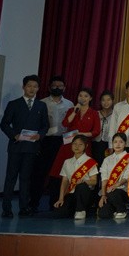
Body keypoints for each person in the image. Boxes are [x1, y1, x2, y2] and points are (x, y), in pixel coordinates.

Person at [0, 75, 49, 217]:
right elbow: (4, 124)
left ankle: (24, 207)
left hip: (31, 147)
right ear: (24, 87)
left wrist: (40, 135)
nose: (32, 89)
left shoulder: (41, 105)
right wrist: (14, 135)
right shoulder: (14, 104)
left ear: (38, 88)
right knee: (11, 178)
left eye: (35, 86)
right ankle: (6, 208)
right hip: (16, 146)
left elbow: (45, 125)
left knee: (26, 178)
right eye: (29, 86)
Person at [35, 75, 74, 208]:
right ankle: (34, 203)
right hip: (45, 141)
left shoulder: (70, 104)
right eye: (54, 86)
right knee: (40, 172)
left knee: (58, 173)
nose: (57, 88)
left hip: (63, 142)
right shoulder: (42, 103)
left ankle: (55, 203)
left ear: (64, 88)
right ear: (49, 87)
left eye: (60, 86)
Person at [49, 88, 101, 185]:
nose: (82, 98)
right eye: (80, 96)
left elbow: (96, 131)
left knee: (81, 171)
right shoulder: (71, 110)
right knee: (62, 172)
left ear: (90, 98)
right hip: (68, 143)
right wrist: (74, 111)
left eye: (86, 96)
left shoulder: (94, 113)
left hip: (84, 145)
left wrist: (81, 134)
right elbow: (65, 123)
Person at [52, 134, 99, 219]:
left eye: (80, 144)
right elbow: (64, 182)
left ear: (86, 146)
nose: (77, 146)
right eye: (75, 144)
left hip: (85, 194)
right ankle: (74, 209)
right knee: (59, 213)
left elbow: (94, 181)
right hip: (71, 193)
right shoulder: (67, 162)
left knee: (81, 186)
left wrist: (84, 181)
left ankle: (81, 210)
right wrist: (61, 198)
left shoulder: (90, 161)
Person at [97, 132, 129, 219]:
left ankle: (121, 210)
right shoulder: (107, 160)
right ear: (112, 144)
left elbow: (127, 177)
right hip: (108, 191)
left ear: (125, 144)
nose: (118, 144)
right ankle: (115, 208)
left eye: (121, 142)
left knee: (114, 193)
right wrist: (103, 195)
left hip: (123, 190)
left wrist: (116, 185)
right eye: (115, 142)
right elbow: (104, 179)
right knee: (103, 214)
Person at [92, 91, 115, 166]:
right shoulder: (95, 113)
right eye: (103, 100)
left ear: (112, 101)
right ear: (100, 101)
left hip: (109, 144)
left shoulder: (115, 115)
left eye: (108, 100)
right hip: (95, 143)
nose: (106, 102)